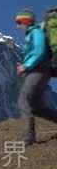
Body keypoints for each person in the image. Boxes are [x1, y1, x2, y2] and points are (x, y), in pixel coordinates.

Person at [16, 9, 57, 146]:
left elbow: (39, 51)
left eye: (19, 21)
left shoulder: (36, 32)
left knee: (24, 101)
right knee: (37, 107)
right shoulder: (34, 33)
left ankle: (29, 138)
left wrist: (26, 66)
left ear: (25, 21)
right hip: (40, 72)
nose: (17, 25)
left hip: (37, 72)